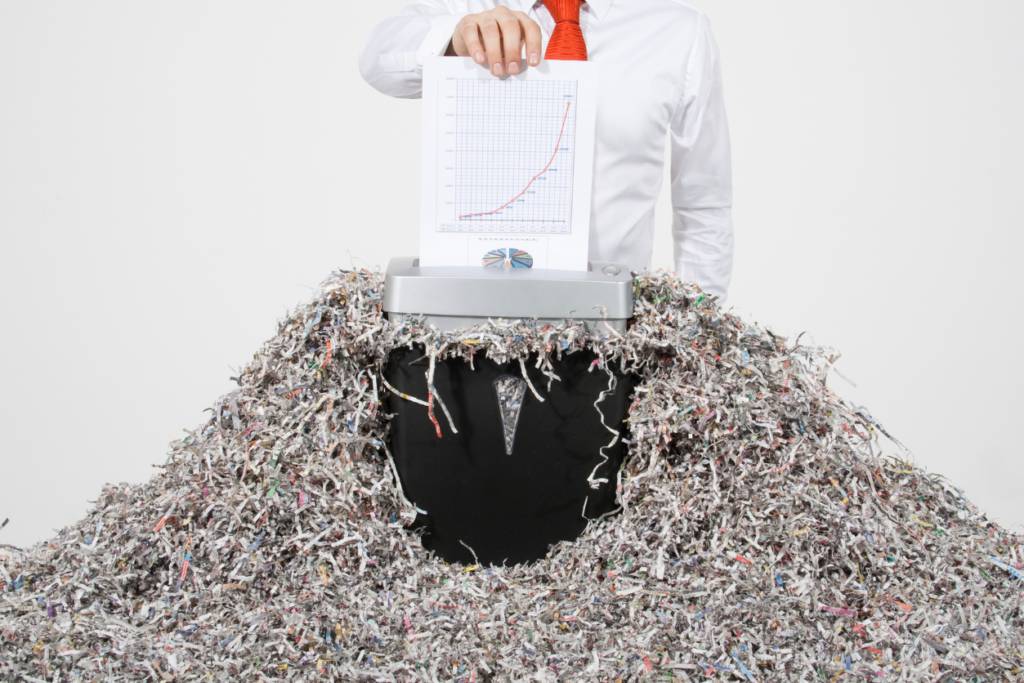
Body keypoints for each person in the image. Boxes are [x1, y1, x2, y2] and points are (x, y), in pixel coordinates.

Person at [359, 0, 734, 301]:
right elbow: (377, 59)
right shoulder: (468, 7)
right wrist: (455, 38)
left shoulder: (680, 30)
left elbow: (703, 205)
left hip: (614, 335)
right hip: (467, 325)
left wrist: (694, 341)